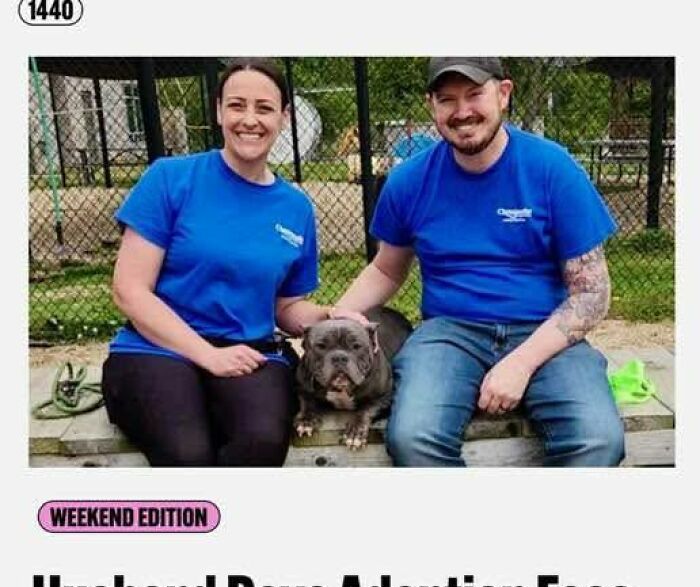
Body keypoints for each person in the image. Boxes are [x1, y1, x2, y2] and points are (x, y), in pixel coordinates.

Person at [333, 57, 625, 467]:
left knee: (599, 439)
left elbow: (592, 293)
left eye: (474, 94)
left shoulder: (552, 168)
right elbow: (386, 268)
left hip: (542, 331)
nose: (462, 111)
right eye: (447, 99)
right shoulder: (409, 180)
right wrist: (341, 314)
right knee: (412, 437)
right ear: (431, 105)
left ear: (503, 93)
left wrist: (520, 364)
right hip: (449, 332)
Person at [102, 59, 336, 467]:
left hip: (250, 351)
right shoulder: (170, 178)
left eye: (263, 108)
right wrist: (207, 355)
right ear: (218, 112)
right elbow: (129, 290)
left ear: (283, 117)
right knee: (187, 454)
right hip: (157, 348)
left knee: (260, 442)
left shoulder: (295, 207)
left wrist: (330, 316)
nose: (249, 119)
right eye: (237, 105)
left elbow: (285, 308)